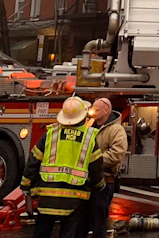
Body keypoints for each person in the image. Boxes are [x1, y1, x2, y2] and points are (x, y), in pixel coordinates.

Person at [22, 96, 104, 238]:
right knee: (68, 233)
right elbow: (96, 168)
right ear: (83, 116)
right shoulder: (89, 138)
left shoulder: (50, 134)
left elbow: (33, 161)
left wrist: (26, 186)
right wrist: (100, 186)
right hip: (73, 199)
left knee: (42, 232)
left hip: (47, 197)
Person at [78, 98, 128, 238]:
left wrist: (92, 161)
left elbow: (116, 154)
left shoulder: (116, 130)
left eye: (97, 110)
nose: (92, 112)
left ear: (107, 110)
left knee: (99, 222)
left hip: (105, 182)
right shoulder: (89, 126)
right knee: (82, 221)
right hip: (85, 181)